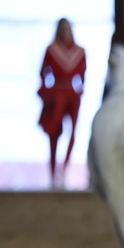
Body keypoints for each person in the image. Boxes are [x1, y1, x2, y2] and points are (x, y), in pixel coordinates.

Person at [38, 17, 86, 189]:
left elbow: (82, 75)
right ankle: (52, 172)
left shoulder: (79, 51)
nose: (66, 31)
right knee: (54, 131)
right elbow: (43, 73)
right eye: (63, 28)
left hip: (72, 95)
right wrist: (46, 91)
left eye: (68, 28)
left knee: (73, 132)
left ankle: (64, 169)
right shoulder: (51, 50)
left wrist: (81, 90)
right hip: (56, 94)